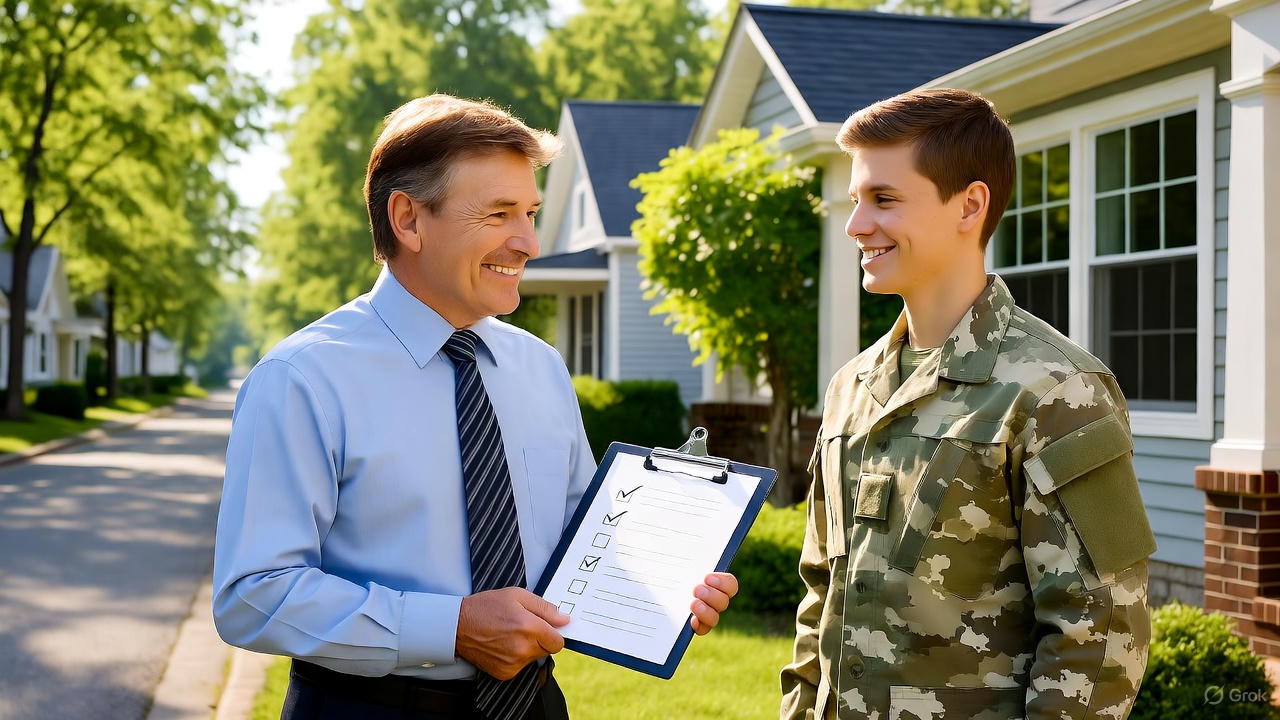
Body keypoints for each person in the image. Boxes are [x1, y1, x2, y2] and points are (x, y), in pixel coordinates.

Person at [212, 94, 738, 720]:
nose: (530, 243)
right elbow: (252, 595)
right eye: (499, 215)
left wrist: (668, 585)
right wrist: (451, 627)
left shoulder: (540, 367)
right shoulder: (303, 379)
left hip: (537, 707)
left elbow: (582, 551)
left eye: (532, 213)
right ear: (408, 219)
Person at [780, 89, 1155, 720]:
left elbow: (1101, 638)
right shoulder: (850, 389)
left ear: (969, 205)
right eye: (855, 201)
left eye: (884, 199)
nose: (855, 225)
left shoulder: (1057, 391)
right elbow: (822, 597)